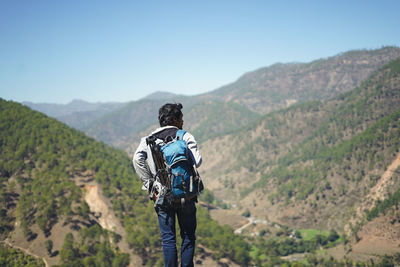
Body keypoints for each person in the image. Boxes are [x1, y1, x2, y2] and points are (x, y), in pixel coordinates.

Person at [133, 103, 202, 267]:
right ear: (175, 119)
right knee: (188, 236)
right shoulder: (185, 136)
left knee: (168, 239)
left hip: (162, 196)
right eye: (181, 118)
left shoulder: (148, 140)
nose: (183, 122)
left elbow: (137, 160)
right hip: (186, 194)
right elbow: (198, 162)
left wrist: (149, 183)